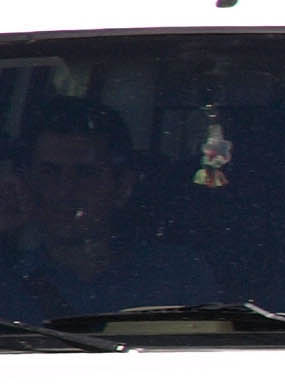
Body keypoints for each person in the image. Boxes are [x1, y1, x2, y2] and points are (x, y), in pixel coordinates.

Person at [3, 96, 215, 319]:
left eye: (85, 174)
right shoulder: (8, 277)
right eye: (49, 172)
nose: (64, 190)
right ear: (25, 180)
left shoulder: (176, 276)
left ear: (123, 186)